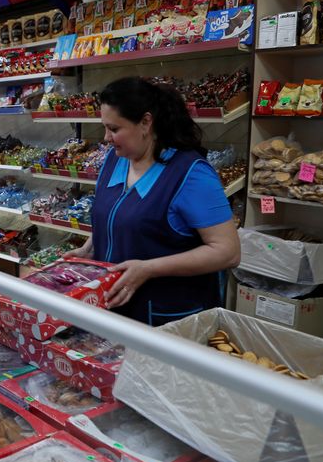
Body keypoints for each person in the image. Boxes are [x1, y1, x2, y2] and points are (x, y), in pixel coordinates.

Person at [69, 77, 240, 326]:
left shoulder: (191, 173)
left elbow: (228, 252)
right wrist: (88, 249)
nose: (106, 137)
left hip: (170, 320)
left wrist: (149, 268)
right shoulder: (114, 161)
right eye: (105, 127)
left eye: (114, 129)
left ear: (146, 122)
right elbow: (114, 217)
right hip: (115, 312)